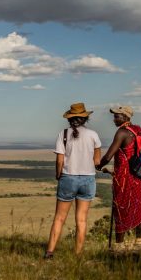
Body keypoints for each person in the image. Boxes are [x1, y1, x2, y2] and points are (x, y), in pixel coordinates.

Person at [44, 102, 102, 258]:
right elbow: (97, 162)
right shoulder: (94, 135)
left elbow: (59, 161)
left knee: (59, 218)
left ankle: (50, 252)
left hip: (68, 178)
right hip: (88, 179)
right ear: (85, 118)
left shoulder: (63, 134)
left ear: (70, 119)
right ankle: (77, 254)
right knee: (81, 220)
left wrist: (58, 175)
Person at [96, 105, 141, 249]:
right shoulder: (137, 130)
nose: (114, 119)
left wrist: (99, 165)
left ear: (125, 117)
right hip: (138, 175)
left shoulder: (121, 132)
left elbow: (108, 156)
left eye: (116, 116)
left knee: (121, 206)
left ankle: (119, 244)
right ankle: (139, 240)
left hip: (124, 176)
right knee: (138, 205)